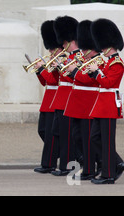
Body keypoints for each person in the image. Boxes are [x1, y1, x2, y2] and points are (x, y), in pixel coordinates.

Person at [86, 18, 124, 184]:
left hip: (109, 105)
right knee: (95, 138)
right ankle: (117, 163)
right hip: (101, 104)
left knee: (106, 140)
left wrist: (96, 72)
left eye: (102, 45)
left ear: (110, 44)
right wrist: (92, 72)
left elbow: (108, 83)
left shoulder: (117, 63)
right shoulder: (107, 62)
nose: (101, 48)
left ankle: (108, 174)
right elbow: (99, 81)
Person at [63, 20, 101, 180]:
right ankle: (88, 165)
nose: (83, 50)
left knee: (87, 138)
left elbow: (89, 80)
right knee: (78, 137)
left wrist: (75, 71)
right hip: (78, 104)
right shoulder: (84, 59)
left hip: (88, 103)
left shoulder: (98, 60)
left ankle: (90, 170)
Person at [49, 15, 79, 176]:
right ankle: (67, 165)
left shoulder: (77, 57)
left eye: (64, 42)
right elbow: (56, 80)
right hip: (62, 98)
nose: (62, 45)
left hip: (70, 98)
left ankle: (68, 167)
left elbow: (78, 77)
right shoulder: (68, 57)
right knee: (60, 134)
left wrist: (62, 67)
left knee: (68, 137)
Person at [33, 20, 61, 174]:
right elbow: (45, 82)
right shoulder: (53, 60)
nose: (51, 51)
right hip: (48, 99)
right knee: (42, 131)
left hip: (56, 98)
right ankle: (54, 155)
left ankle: (49, 163)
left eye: (53, 49)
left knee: (50, 134)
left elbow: (53, 80)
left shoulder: (61, 60)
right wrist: (38, 71)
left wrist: (42, 68)